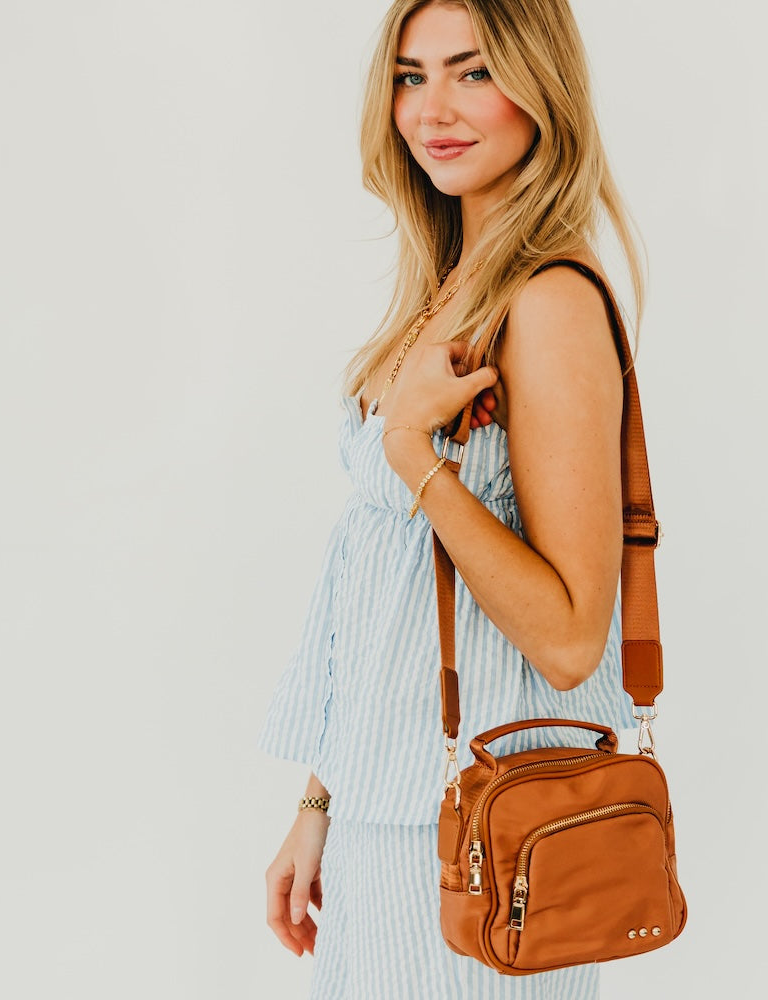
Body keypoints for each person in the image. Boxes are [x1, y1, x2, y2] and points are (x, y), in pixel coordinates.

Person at [260, 1, 649, 995]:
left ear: (540, 88)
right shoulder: (444, 289)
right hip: (390, 821)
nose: (431, 108)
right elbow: (381, 592)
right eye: (410, 75)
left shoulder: (547, 302)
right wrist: (321, 803)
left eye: (473, 72)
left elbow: (570, 639)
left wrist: (408, 450)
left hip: (484, 838)